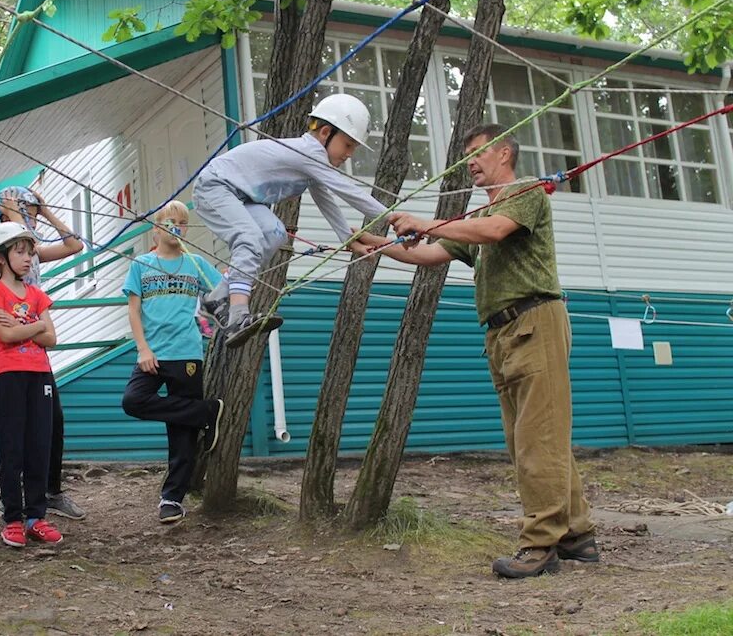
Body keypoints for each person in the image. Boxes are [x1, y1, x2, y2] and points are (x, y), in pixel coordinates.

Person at [375, 123, 597, 579]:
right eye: (467, 154)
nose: (470, 162)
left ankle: (541, 545)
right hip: (502, 333)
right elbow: (427, 255)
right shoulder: (483, 212)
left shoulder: (526, 193)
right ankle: (577, 534)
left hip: (535, 322)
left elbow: (494, 231)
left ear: (504, 153)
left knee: (537, 441)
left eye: (476, 152)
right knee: (531, 440)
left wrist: (427, 220)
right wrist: (367, 242)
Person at [193, 93, 390, 349]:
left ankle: (217, 298)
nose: (349, 154)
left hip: (243, 197)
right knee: (250, 238)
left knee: (275, 233)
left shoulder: (314, 162)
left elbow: (325, 199)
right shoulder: (309, 153)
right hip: (215, 186)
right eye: (348, 145)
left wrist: (347, 239)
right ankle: (238, 315)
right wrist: (392, 215)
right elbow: (346, 190)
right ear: (325, 133)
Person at [120, 200, 225, 523]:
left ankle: (172, 499)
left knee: (181, 432)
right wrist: (143, 349)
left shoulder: (194, 262)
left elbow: (222, 287)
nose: (176, 228)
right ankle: (207, 412)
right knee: (133, 401)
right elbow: (134, 311)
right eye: (170, 222)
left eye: (182, 223)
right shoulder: (142, 264)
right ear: (156, 228)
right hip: (153, 354)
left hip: (186, 352)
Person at [0, 185, 87, 521]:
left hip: (37, 356)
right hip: (10, 356)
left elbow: (75, 244)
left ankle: (50, 491)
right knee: (15, 431)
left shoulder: (30, 252)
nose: (30, 217)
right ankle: (11, 499)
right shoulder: (2, 249)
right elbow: (16, 241)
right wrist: (16, 212)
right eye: (25, 210)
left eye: (31, 211)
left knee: (51, 423)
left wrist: (45, 210)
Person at [0, 221, 63, 548]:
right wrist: (33, 327)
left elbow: (52, 338)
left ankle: (36, 517)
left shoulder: (37, 295)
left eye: (31, 252)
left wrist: (20, 325)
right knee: (12, 446)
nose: (29, 258)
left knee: (39, 446)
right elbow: (4, 336)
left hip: (40, 374)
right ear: (0, 258)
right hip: (8, 375)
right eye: (20, 251)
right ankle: (13, 519)